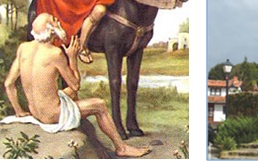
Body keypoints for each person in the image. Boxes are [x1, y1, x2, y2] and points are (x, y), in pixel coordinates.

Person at [2, 13, 151, 157]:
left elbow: (9, 84)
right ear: (50, 29)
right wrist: (72, 58)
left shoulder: (24, 48)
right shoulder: (55, 54)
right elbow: (75, 85)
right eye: (55, 21)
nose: (58, 22)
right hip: (53, 116)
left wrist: (19, 111)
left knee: (67, 94)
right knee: (99, 105)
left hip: (36, 113)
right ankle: (122, 148)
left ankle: (84, 125)